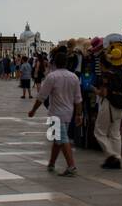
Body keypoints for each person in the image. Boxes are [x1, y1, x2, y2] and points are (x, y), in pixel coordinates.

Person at [29, 49, 83, 177]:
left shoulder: (52, 77)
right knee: (57, 139)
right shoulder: (74, 77)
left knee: (62, 139)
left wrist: (33, 110)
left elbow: (42, 96)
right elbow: (78, 99)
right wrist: (79, 114)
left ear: (55, 63)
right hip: (68, 112)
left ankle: (71, 166)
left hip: (55, 113)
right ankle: (52, 163)